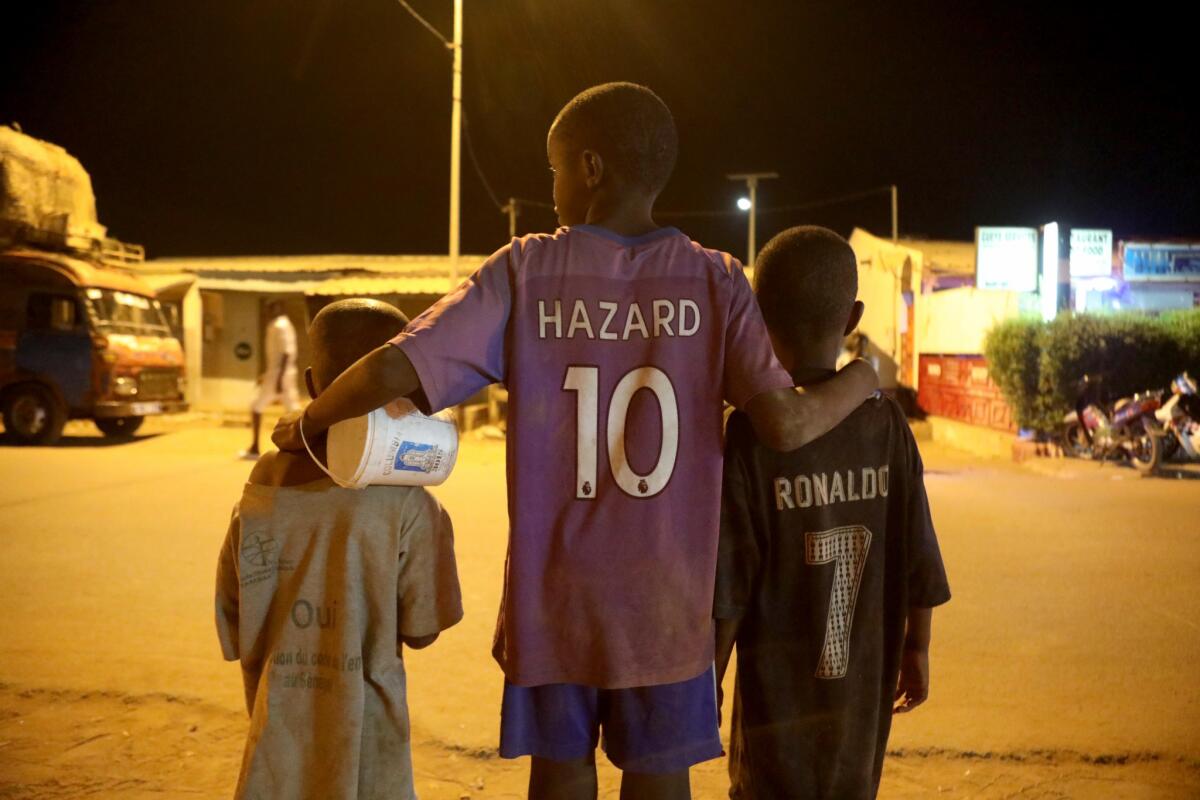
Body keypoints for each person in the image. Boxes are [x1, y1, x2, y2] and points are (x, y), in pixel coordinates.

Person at [272, 83, 877, 799]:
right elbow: (785, 422)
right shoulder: (716, 280)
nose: (551, 188)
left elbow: (396, 365)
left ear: (591, 169)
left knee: (559, 773)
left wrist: (308, 423)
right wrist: (865, 377)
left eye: (553, 169)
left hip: (553, 600)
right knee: (659, 776)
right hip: (666, 606)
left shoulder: (525, 270)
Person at [714, 226, 951, 799]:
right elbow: (918, 553)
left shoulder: (751, 434)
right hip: (858, 711)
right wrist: (916, 647)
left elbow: (730, 585)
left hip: (775, 720)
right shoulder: (887, 425)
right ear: (853, 318)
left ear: (760, 321)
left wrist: (708, 682)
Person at [216, 298, 462, 799]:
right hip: (368, 762)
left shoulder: (259, 487)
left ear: (310, 385)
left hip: (275, 756)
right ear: (408, 391)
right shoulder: (411, 506)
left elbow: (235, 618)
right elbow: (422, 631)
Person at [242, 299, 300, 459]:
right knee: (293, 410)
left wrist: (279, 379)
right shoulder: (283, 324)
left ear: (278, 309)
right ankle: (301, 449)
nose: (268, 312)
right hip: (279, 373)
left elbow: (286, 353)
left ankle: (255, 447)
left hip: (280, 374)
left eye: (271, 309)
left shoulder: (279, 326)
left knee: (257, 407)